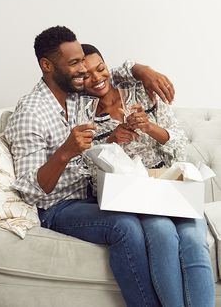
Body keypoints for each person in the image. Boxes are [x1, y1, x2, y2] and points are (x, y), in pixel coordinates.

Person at [4, 25, 178, 307]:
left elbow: (110, 74)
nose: (83, 71)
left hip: (92, 195)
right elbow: (33, 192)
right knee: (125, 226)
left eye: (82, 63)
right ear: (47, 65)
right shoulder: (30, 113)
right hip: (57, 207)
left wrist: (141, 69)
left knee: (148, 223)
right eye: (74, 63)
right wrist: (65, 152)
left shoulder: (74, 96)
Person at [81, 43, 215, 307]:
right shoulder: (83, 115)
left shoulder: (142, 92)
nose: (97, 78)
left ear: (107, 66)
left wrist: (150, 127)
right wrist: (112, 141)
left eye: (100, 68)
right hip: (136, 197)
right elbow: (88, 174)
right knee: (162, 235)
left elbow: (179, 149)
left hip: (172, 186)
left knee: (193, 240)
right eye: (86, 75)